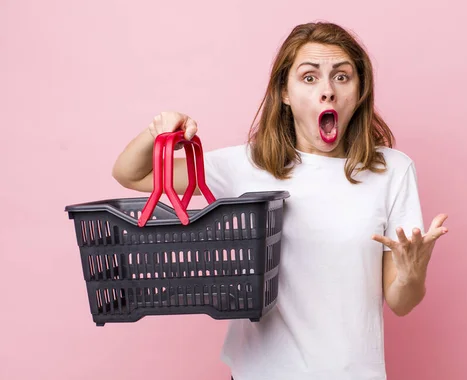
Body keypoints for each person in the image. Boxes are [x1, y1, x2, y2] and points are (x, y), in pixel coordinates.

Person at [112, 21, 448, 380]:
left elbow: (402, 301)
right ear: (284, 93)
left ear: (360, 90)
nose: (327, 92)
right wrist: (157, 132)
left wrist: (413, 273)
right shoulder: (247, 165)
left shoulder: (392, 171)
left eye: (342, 77)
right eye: (309, 77)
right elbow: (131, 173)